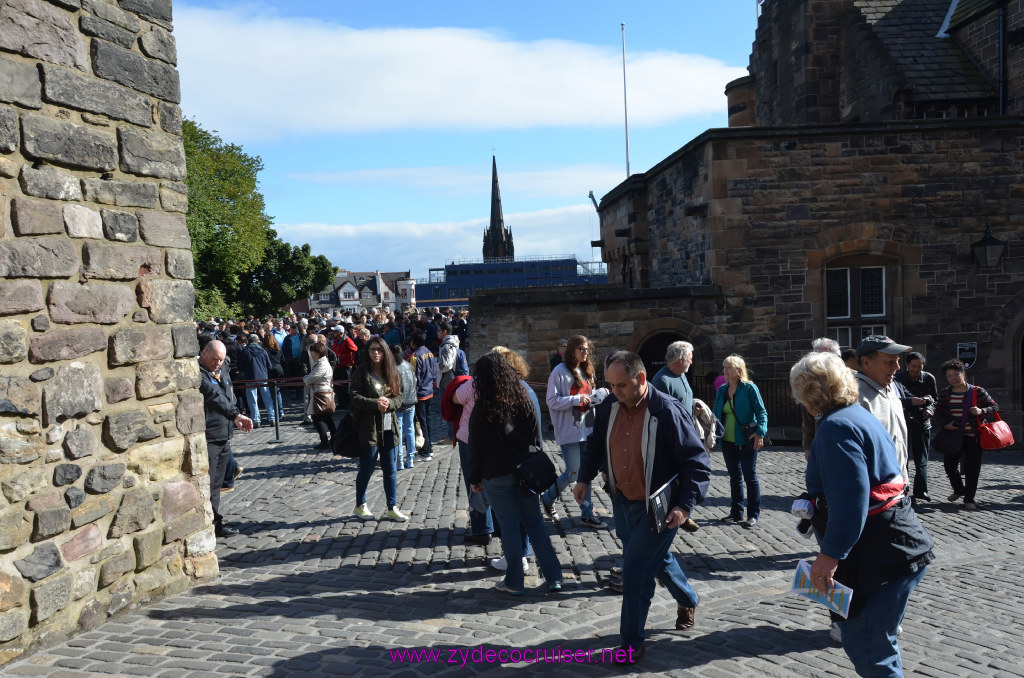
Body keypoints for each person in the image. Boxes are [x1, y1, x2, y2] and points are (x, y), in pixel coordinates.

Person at [790, 352, 934, 677]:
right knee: (878, 644)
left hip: (880, 553)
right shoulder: (856, 413)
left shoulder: (836, 427)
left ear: (808, 391)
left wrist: (828, 557)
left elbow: (852, 500)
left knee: (867, 646)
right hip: (896, 542)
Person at [576, 351, 710, 660]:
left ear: (641, 379)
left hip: (660, 509)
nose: (615, 391)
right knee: (656, 559)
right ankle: (688, 597)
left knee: (635, 570)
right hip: (623, 502)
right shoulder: (610, 406)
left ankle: (630, 644)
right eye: (611, 385)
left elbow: (697, 465)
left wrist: (684, 506)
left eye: (621, 385)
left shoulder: (667, 412)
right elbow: (596, 444)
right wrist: (584, 478)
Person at [467, 353, 564, 596]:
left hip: (495, 474)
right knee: (535, 523)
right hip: (524, 471)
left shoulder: (483, 406)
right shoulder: (524, 398)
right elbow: (535, 436)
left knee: (509, 527)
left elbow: (475, 447)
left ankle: (514, 581)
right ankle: (554, 577)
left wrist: (474, 479)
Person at [542, 335, 608, 529]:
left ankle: (587, 514)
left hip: (587, 429)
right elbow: (551, 401)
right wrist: (576, 400)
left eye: (587, 349)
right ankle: (548, 498)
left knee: (585, 472)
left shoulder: (587, 371)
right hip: (569, 430)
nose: (585, 352)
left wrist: (598, 397)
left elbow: (589, 399)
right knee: (572, 473)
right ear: (572, 350)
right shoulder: (559, 371)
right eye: (582, 348)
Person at [197, 340, 253, 538]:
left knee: (218, 484)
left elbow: (228, 395)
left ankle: (215, 523)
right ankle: (211, 525)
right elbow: (213, 396)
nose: (218, 363)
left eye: (221, 360)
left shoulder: (224, 370)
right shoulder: (198, 373)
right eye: (214, 359)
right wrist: (235, 415)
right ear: (204, 353)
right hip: (210, 435)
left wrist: (236, 413)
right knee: (210, 484)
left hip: (224, 434)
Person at [351, 336, 408, 522]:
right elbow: (354, 398)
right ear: (367, 352)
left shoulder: (391, 372)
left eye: (379, 349)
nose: (376, 352)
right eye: (372, 349)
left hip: (389, 428)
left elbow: (400, 398)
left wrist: (389, 403)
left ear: (385, 352)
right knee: (367, 468)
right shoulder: (361, 372)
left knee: (390, 469)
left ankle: (392, 506)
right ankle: (360, 505)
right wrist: (375, 403)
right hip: (369, 429)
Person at [649, 340, 703, 532]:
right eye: (690, 357)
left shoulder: (681, 375)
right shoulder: (662, 380)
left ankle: (685, 511)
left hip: (687, 434)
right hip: (673, 439)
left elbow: (682, 402)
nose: (691, 361)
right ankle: (674, 511)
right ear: (680, 359)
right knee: (676, 476)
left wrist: (693, 407)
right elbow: (661, 414)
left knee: (689, 473)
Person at [935, 358, 999, 511]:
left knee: (972, 469)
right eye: (949, 376)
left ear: (963, 374)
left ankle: (969, 499)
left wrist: (981, 411)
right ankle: (959, 489)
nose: (953, 378)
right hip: (953, 436)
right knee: (949, 466)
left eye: (956, 374)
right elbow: (938, 412)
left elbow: (994, 406)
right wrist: (945, 424)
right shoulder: (945, 393)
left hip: (973, 436)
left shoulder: (977, 391)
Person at [712, 354, 768, 528]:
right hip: (727, 441)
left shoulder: (749, 388)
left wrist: (760, 433)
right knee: (734, 477)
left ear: (738, 370)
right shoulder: (722, 390)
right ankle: (736, 513)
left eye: (729, 367)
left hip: (747, 439)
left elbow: (761, 412)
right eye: (724, 367)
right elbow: (715, 415)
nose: (725, 370)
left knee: (750, 477)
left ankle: (753, 514)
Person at [854, 336, 913, 479]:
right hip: (875, 492)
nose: (897, 367)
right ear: (866, 362)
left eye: (898, 360)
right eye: (889, 362)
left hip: (897, 485)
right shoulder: (854, 396)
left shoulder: (891, 388)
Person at [894, 352, 938, 501]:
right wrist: (911, 401)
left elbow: (935, 400)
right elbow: (895, 400)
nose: (916, 370)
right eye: (913, 366)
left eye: (919, 367)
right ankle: (903, 488)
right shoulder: (898, 378)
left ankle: (921, 490)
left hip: (922, 422)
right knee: (902, 458)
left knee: (922, 459)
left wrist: (930, 409)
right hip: (904, 422)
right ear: (907, 365)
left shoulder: (928, 378)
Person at [801, 338, 842, 460]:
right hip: (821, 444)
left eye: (824, 357)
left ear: (838, 357)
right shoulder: (812, 383)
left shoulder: (853, 380)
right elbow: (808, 420)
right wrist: (808, 447)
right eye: (816, 356)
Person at [409, 331, 438, 461]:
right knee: (427, 420)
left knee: (421, 423)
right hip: (429, 391)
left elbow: (415, 377)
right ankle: (429, 448)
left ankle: (424, 451)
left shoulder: (415, 356)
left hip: (420, 393)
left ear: (413, 342)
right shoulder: (430, 353)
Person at [238, 333, 275, 429]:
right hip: (263, 377)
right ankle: (272, 418)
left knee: (252, 401)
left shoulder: (245, 351)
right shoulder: (263, 351)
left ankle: (256, 420)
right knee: (268, 399)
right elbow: (269, 366)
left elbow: (240, 366)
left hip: (250, 377)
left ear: (249, 341)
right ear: (257, 340)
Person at [304, 343, 336, 451]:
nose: (311, 354)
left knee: (317, 417)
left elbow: (310, 378)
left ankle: (326, 441)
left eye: (313, 352)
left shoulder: (322, 365)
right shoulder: (319, 363)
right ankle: (333, 437)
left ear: (318, 353)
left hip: (321, 393)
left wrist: (306, 379)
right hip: (319, 392)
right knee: (325, 416)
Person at [391, 343, 418, 470]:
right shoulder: (407, 365)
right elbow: (415, 381)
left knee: (399, 432)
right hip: (411, 400)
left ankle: (399, 461)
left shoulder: (392, 368)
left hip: (400, 403)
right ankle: (411, 459)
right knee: (410, 430)